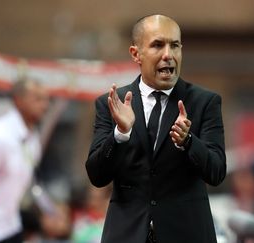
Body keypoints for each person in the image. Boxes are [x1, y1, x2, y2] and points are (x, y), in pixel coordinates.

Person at [85, 14, 226, 243]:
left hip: (187, 233)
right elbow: (97, 176)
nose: (168, 55)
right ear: (136, 54)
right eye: (158, 45)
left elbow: (217, 171)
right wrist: (120, 133)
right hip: (127, 233)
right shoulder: (112, 103)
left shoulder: (205, 102)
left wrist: (188, 141)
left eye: (175, 45)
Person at [0, 78, 49, 242]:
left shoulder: (32, 138)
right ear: (18, 100)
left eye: (46, 99)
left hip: (11, 227)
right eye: (37, 99)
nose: (44, 105)